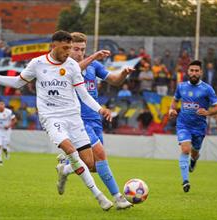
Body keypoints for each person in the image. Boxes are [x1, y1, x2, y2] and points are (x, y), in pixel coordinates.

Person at [0, 30, 113, 210]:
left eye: (70, 48)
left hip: (73, 117)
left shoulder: (72, 65)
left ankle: (64, 171)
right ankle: (100, 196)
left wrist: (100, 108)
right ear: (53, 46)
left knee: (90, 163)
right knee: (71, 151)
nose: (68, 52)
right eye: (65, 48)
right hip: (51, 117)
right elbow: (18, 82)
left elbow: (84, 95)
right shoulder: (38, 64)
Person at [56, 32, 134, 210]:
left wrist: (123, 74)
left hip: (95, 119)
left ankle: (66, 168)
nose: (80, 53)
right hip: (77, 120)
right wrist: (93, 57)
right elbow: (75, 70)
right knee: (101, 155)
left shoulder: (93, 66)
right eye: (76, 49)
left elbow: (114, 81)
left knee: (94, 166)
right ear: (68, 49)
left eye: (83, 49)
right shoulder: (64, 67)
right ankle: (118, 198)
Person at [169, 60, 217, 193]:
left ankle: (194, 159)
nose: (194, 73)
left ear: (201, 72)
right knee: (185, 149)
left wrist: (208, 112)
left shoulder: (207, 89)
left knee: (195, 151)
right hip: (183, 124)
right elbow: (175, 100)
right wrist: (171, 110)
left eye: (196, 71)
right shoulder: (181, 87)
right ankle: (185, 181)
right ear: (188, 72)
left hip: (199, 127)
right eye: (191, 70)